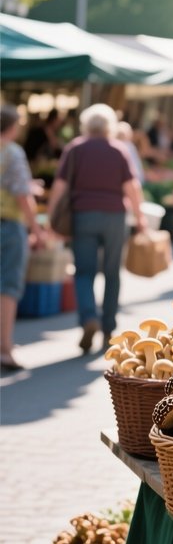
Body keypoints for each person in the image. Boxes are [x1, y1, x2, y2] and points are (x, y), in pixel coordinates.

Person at [47, 104, 147, 354]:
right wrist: (140, 217)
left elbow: (59, 186)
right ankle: (108, 328)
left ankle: (88, 318)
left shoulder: (75, 149)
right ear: (110, 126)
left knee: (84, 272)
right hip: (115, 216)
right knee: (112, 273)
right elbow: (132, 187)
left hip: (83, 216)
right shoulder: (118, 149)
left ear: (86, 124)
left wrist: (50, 217)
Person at [1, 105, 46, 370]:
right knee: (7, 288)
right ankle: (4, 349)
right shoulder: (12, 152)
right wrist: (36, 229)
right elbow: (21, 195)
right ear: (13, 127)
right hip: (7, 225)